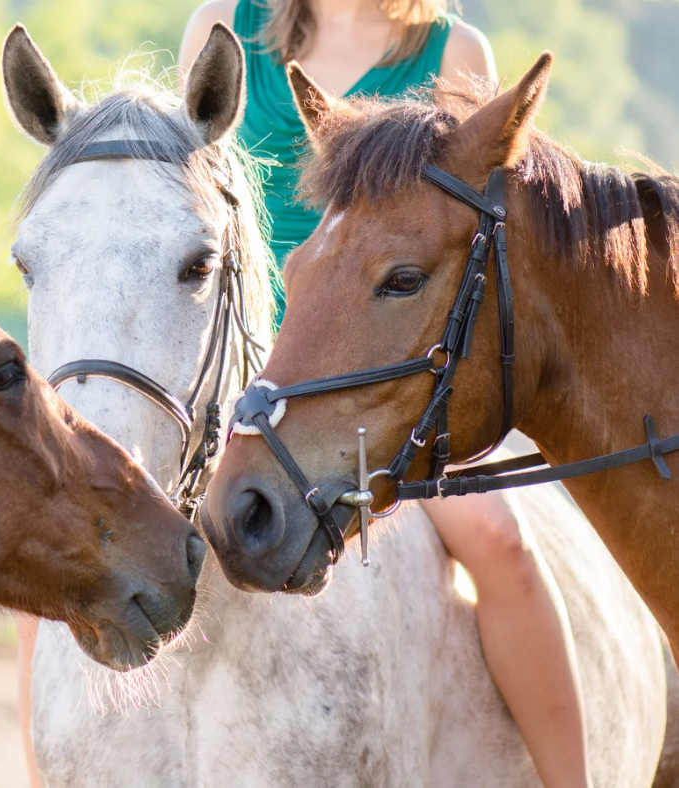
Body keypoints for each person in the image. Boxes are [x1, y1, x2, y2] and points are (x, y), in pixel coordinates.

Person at [179, 3, 592, 788]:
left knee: (501, 542)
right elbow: (191, 209)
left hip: (385, 366)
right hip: (235, 354)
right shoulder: (223, 28)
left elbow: (475, 246)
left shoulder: (452, 48)